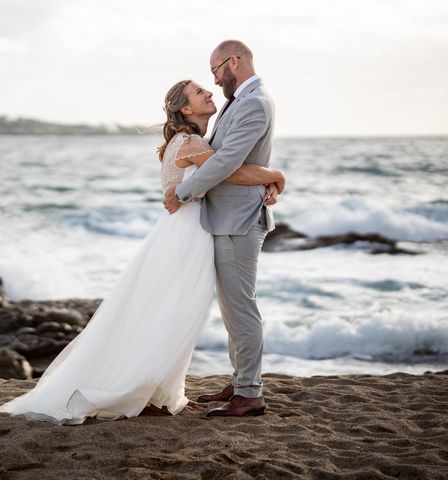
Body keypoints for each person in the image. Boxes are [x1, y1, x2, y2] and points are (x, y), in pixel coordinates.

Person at [0, 77, 285, 425]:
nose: (209, 91)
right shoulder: (191, 142)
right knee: (173, 311)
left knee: (168, 310)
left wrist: (266, 182)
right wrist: (276, 175)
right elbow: (231, 172)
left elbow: (222, 172)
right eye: (199, 92)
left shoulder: (189, 140)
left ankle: (155, 389)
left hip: (182, 232)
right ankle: (142, 388)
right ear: (185, 108)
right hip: (186, 235)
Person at [164, 39, 277, 417]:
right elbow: (225, 160)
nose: (213, 80)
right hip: (228, 217)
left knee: (241, 307)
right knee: (232, 308)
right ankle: (240, 380)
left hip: (239, 219)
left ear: (233, 62)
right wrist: (275, 177)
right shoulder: (239, 102)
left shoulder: (254, 103)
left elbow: (227, 161)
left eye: (214, 70)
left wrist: (183, 191)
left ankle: (249, 392)